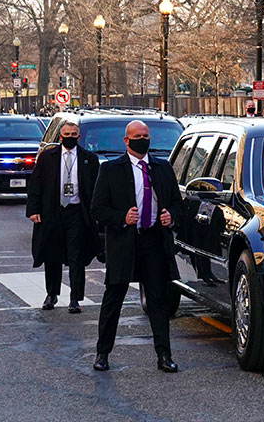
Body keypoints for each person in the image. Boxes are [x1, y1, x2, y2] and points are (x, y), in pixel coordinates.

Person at [92, 120, 184, 373]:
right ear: (126, 141)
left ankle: (164, 355)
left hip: (153, 241)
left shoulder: (162, 168)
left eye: (146, 135)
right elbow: (97, 209)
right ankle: (102, 353)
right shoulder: (111, 170)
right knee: (114, 297)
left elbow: (177, 203)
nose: (142, 140)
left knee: (157, 300)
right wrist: (122, 217)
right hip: (124, 242)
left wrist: (171, 216)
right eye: (137, 136)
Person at [26, 121, 101, 314]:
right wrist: (34, 210)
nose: (70, 137)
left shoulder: (89, 159)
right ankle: (52, 294)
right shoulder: (48, 157)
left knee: (76, 257)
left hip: (77, 212)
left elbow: (95, 189)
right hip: (52, 211)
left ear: (79, 136)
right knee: (52, 255)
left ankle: (75, 298)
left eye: (73, 134)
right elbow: (36, 185)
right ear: (60, 136)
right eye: (66, 134)